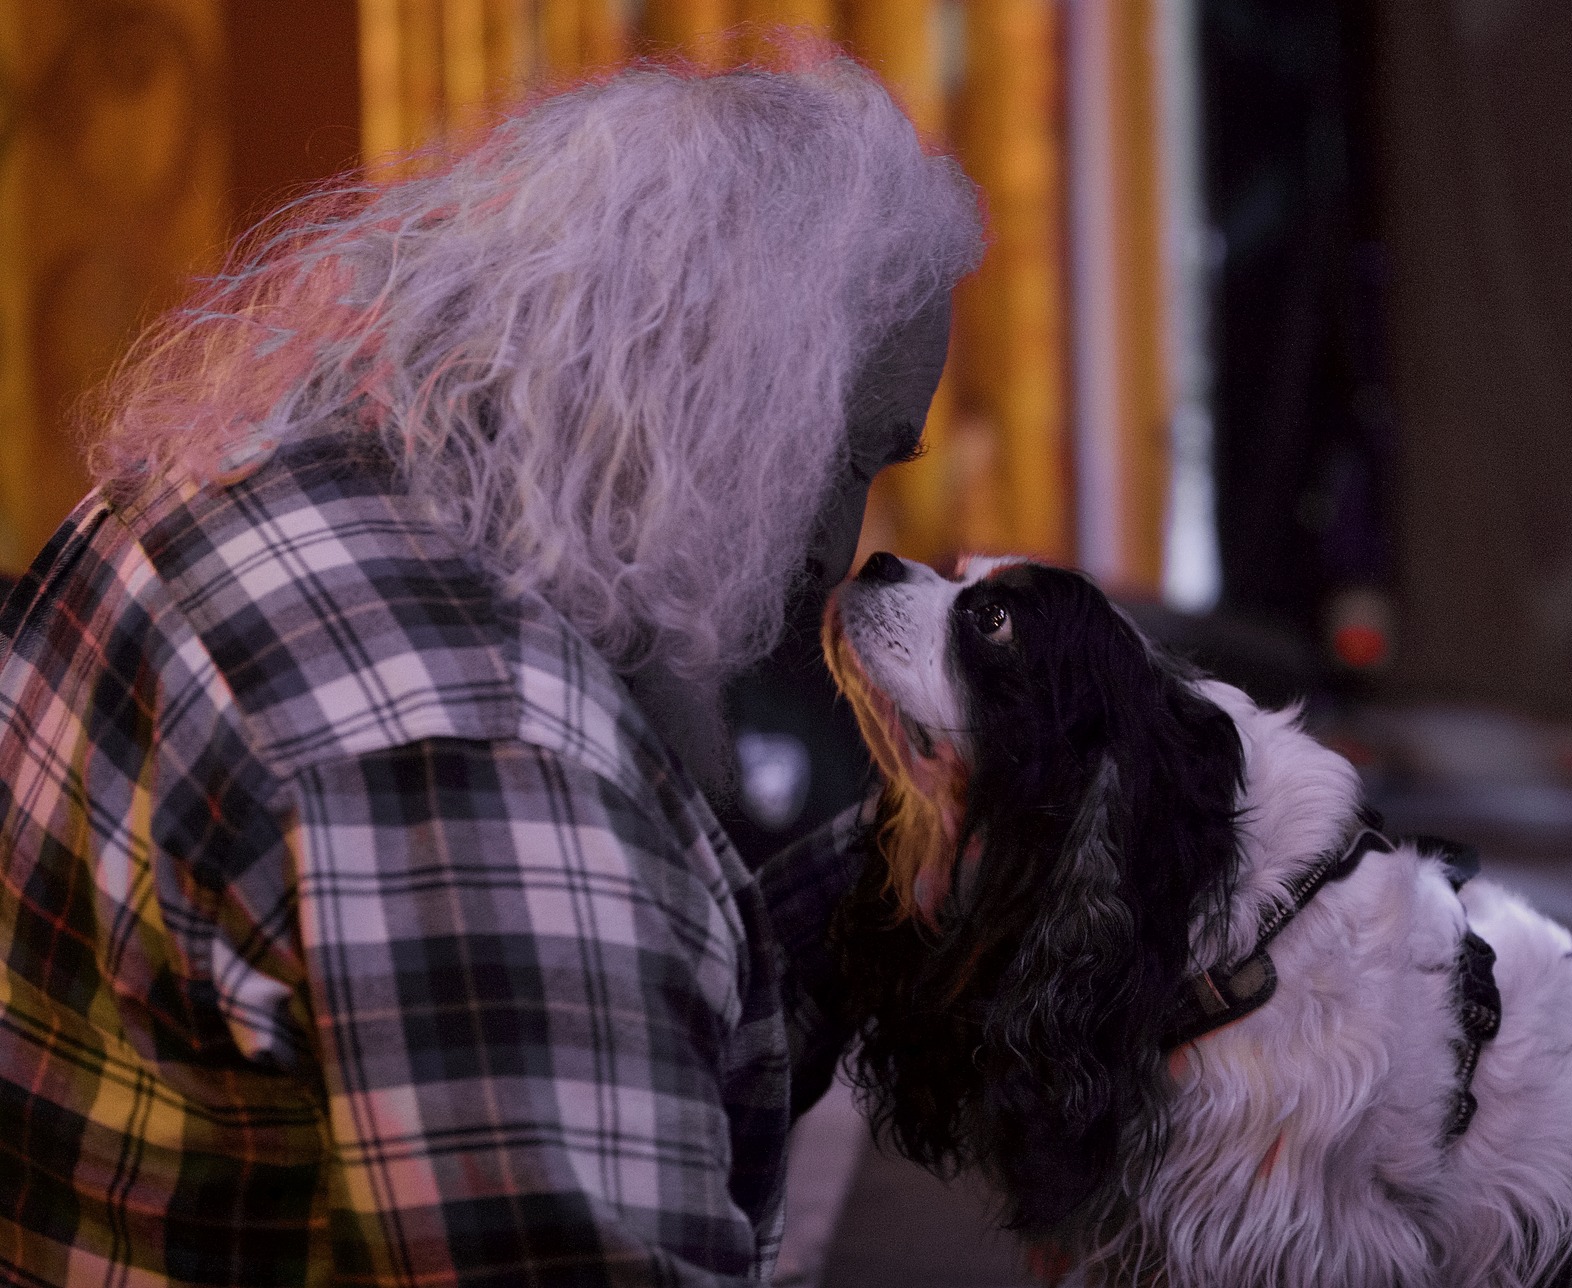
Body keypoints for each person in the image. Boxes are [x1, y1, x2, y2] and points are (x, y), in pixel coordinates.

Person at [0, 54, 980, 1285]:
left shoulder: (237, 474)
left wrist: (904, 884)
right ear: (729, 407)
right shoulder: (483, 758)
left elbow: (619, 1017)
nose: (841, 550)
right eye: (849, 460)